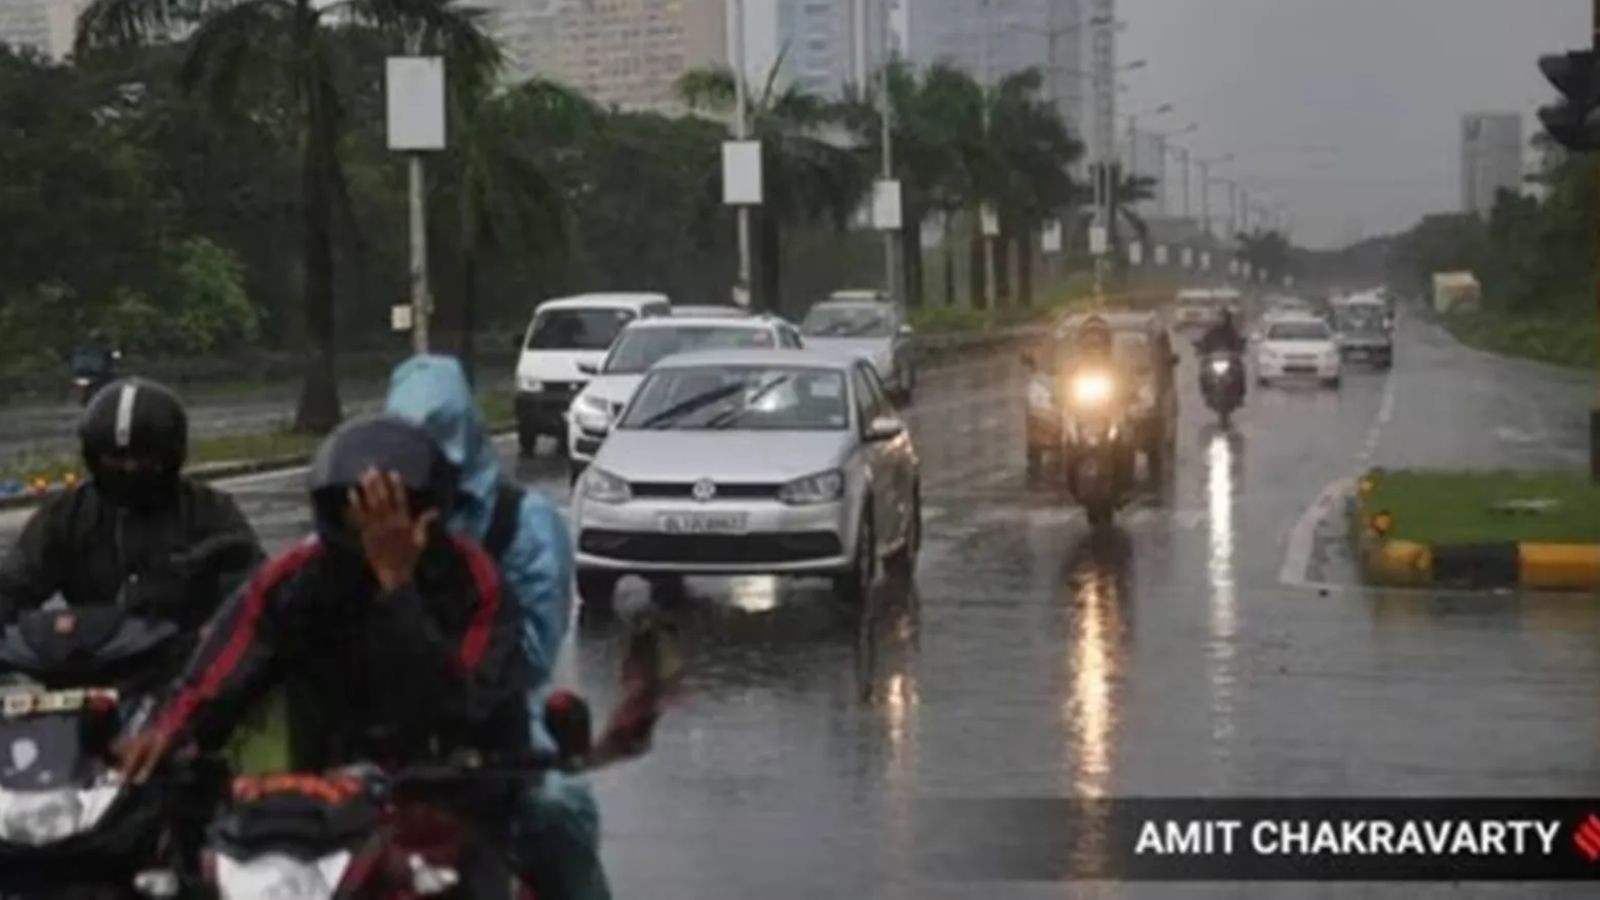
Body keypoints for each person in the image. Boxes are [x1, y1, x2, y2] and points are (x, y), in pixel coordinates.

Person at [116, 415, 534, 889]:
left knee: (554, 826)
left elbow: (455, 709)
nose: (375, 530)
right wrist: (169, 732)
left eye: (390, 513)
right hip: (323, 796)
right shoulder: (296, 577)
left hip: (460, 789)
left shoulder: (475, 583)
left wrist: (396, 588)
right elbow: (223, 665)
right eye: (361, 512)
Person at [384, 355, 609, 900]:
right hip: (381, 716)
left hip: (496, 717)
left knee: (557, 808)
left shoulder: (519, 523)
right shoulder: (372, 520)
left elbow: (529, 656)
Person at [0, 377, 262, 629]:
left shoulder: (210, 509)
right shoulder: (67, 515)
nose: (129, 468)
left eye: (144, 458)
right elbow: (16, 582)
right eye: (115, 459)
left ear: (169, 456)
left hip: (188, 663)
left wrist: (218, 628)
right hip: (92, 662)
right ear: (94, 457)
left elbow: (258, 588)